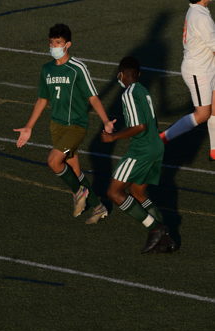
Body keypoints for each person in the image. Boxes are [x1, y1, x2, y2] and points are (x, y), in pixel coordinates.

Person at [14, 23, 115, 224]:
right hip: (56, 126)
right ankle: (98, 207)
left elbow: (93, 97)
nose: (54, 47)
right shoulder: (47, 69)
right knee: (73, 168)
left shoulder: (77, 68)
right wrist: (29, 127)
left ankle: (79, 192)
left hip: (75, 126)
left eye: (58, 43)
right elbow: (43, 99)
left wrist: (105, 121)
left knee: (53, 161)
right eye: (52, 43)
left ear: (68, 44)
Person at [101, 56, 175, 254]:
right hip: (155, 146)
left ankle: (156, 228)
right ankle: (166, 239)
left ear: (121, 74)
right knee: (137, 192)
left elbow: (139, 126)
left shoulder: (129, 93)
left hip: (141, 150)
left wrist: (113, 137)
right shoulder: (143, 90)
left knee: (114, 192)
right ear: (138, 74)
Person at [159, 0, 215, 161]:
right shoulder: (200, 17)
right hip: (199, 71)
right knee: (202, 114)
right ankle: (162, 139)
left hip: (208, 67)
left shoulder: (199, 11)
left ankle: (214, 150)